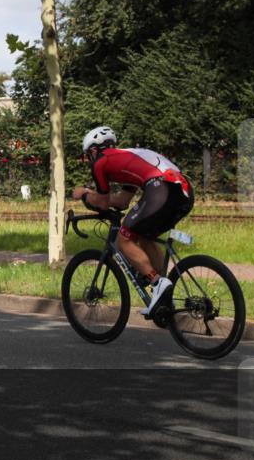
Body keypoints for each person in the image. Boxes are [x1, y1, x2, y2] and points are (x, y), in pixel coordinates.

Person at [72, 126, 194, 317]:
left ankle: (157, 282)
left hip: (160, 188)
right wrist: (101, 199)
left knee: (124, 240)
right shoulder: (127, 159)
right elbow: (122, 202)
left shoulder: (100, 162)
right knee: (145, 237)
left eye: (88, 155)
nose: (89, 159)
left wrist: (85, 195)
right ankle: (163, 296)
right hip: (183, 190)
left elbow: (103, 203)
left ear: (94, 150)